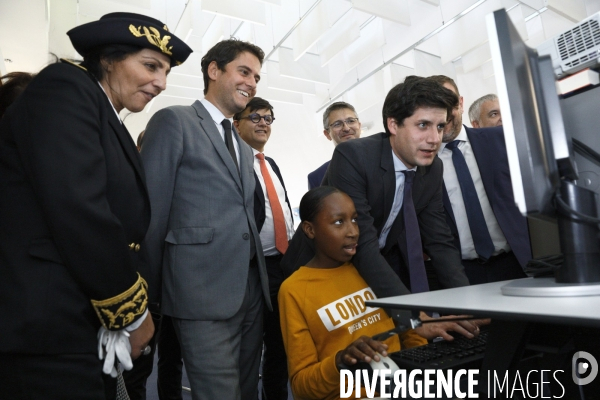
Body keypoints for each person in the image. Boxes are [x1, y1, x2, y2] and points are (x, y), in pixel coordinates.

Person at [0, 12, 192, 400]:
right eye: (150, 65)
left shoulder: (106, 116)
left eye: (166, 72)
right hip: (46, 325)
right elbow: (79, 209)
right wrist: (132, 314)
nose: (161, 82)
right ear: (107, 58)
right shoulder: (65, 87)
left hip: (75, 322)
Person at [282, 77, 480, 341]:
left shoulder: (432, 168)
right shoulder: (353, 156)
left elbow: (439, 241)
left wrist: (468, 305)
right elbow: (362, 242)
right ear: (393, 124)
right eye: (423, 125)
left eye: (440, 126)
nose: (435, 139)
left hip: (368, 271)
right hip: (317, 272)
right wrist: (412, 315)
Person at [140, 39, 271, 400]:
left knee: (247, 391)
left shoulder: (243, 147)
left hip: (250, 292)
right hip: (199, 292)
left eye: (257, 77)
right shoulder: (175, 121)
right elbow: (151, 214)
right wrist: (147, 301)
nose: (252, 83)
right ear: (214, 70)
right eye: (244, 71)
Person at [279, 186, 427, 400]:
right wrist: (340, 361)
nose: (353, 232)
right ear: (310, 230)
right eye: (339, 222)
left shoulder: (369, 269)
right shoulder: (294, 290)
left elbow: (412, 334)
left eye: (355, 220)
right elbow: (302, 387)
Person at [429, 75, 530, 284]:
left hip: (518, 264)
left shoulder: (500, 140)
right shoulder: (421, 164)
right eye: (435, 104)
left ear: (461, 103)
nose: (445, 113)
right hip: (461, 275)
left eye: (449, 102)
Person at [233, 97, 293, 400]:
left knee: (280, 343)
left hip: (281, 266)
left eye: (268, 118)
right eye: (255, 117)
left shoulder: (270, 163)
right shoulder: (233, 164)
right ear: (236, 123)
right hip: (249, 268)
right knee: (249, 345)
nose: (263, 123)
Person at [307, 101, 361, 189]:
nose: (346, 128)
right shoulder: (317, 178)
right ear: (327, 134)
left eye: (351, 121)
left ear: (359, 125)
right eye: (337, 124)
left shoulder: (383, 156)